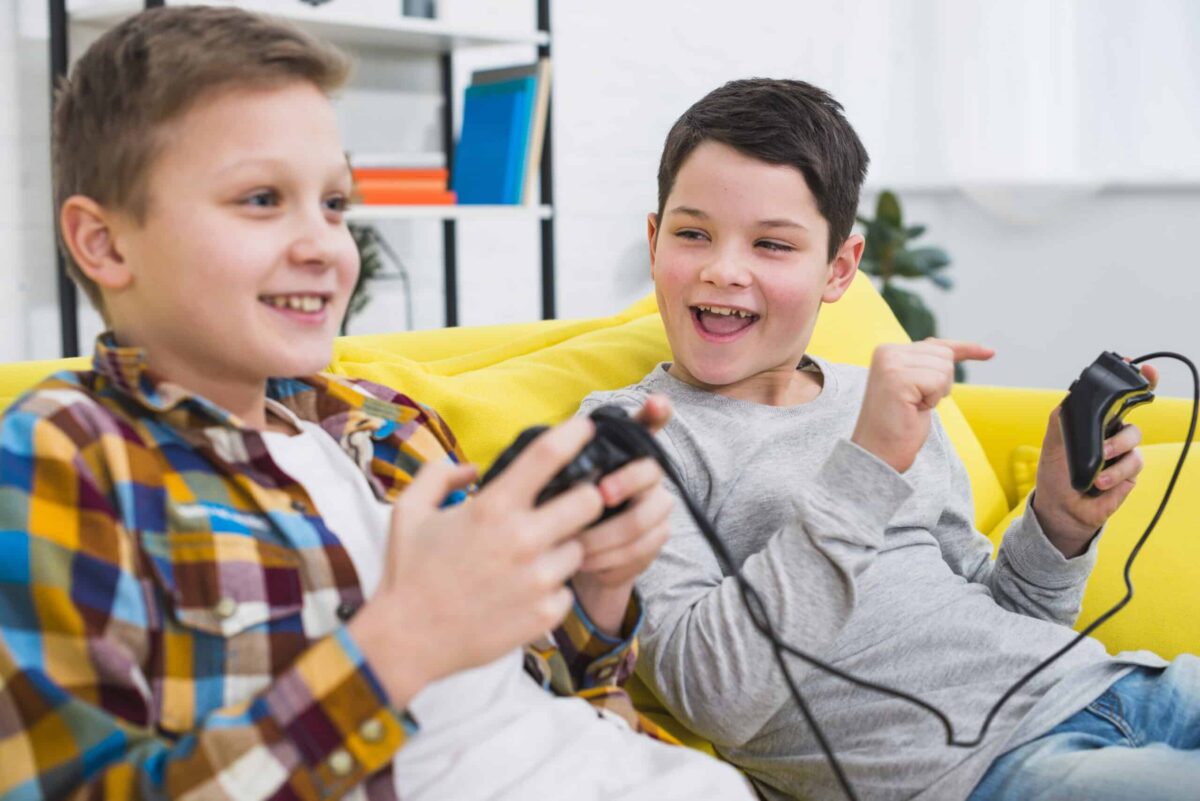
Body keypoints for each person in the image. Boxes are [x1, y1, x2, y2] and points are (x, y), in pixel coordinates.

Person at [0, 7, 753, 799]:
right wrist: (399, 641)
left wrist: (598, 584)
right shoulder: (68, 452)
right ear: (105, 243)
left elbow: (542, 680)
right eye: (261, 199)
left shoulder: (379, 421)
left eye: (334, 205)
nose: (326, 244)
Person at [580, 77, 1199, 801]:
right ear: (654, 242)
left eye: (773, 244)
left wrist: (1057, 523)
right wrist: (866, 466)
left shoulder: (875, 396)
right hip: (983, 775)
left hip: (1114, 682)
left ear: (838, 268)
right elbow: (715, 694)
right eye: (693, 234)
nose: (724, 269)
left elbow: (1005, 621)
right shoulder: (632, 434)